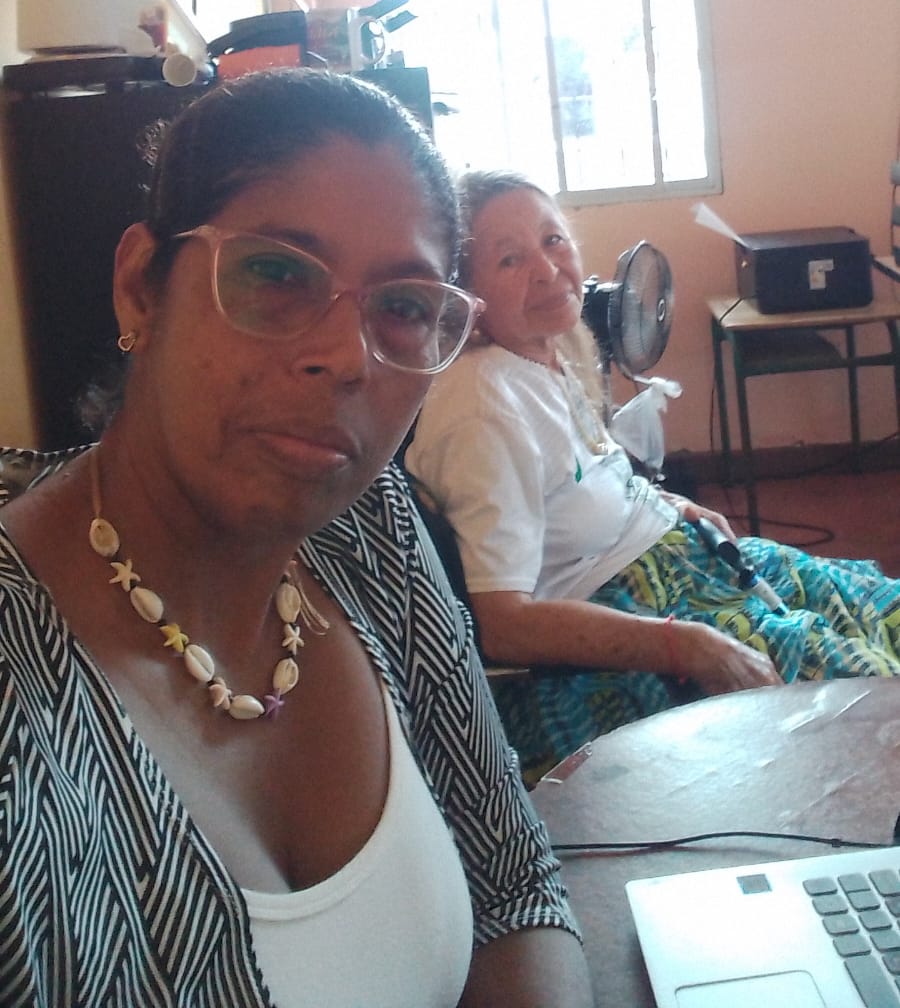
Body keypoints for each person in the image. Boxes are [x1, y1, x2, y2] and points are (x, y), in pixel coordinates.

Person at [0, 76, 593, 1008]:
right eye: (276, 274)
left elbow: (513, 881)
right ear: (140, 288)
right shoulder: (25, 725)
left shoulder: (366, 526)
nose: (347, 356)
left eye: (403, 307)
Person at [405, 169, 900, 781]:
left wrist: (666, 505)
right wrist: (685, 643)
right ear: (466, 296)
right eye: (510, 259)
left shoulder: (541, 352)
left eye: (553, 240)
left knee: (876, 607)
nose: (548, 269)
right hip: (630, 624)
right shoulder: (483, 406)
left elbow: (582, 479)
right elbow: (504, 624)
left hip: (682, 567)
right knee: (872, 698)